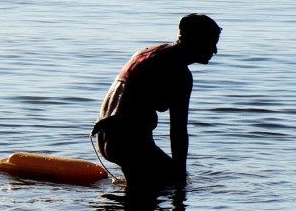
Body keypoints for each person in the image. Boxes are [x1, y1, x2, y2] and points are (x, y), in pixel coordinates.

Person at [92, 14, 221, 192]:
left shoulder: (146, 53)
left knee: (142, 196)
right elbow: (178, 132)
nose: (215, 50)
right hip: (129, 142)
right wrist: (180, 178)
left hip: (106, 137)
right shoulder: (179, 73)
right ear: (194, 40)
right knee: (168, 185)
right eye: (211, 42)